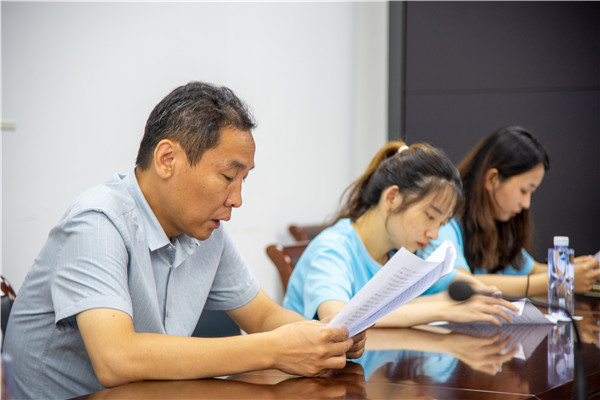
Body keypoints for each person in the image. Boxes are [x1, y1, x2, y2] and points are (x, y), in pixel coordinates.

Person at [3, 81, 366, 400]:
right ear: (167, 159)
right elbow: (116, 358)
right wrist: (273, 350)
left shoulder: (204, 231)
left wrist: (326, 338)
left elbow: (263, 315)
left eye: (244, 180)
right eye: (228, 176)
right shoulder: (97, 222)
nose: (237, 199)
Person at [283, 141, 518, 327]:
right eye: (430, 216)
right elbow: (339, 319)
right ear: (392, 198)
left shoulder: (407, 251)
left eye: (442, 223)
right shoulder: (333, 248)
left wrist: (480, 293)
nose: (434, 234)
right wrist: (442, 308)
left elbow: (456, 283)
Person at [418, 126, 600, 297]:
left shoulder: (495, 225)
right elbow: (463, 283)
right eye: (524, 190)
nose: (526, 204)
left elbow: (531, 270)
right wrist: (557, 280)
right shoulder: (444, 223)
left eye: (531, 192)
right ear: (493, 179)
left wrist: (577, 269)